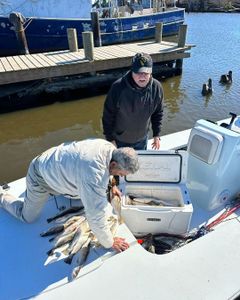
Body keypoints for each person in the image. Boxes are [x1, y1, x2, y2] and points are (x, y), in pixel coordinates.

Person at [0, 139, 139, 252]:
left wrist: (112, 184)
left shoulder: (109, 147)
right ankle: (2, 196)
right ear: (114, 163)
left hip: (58, 166)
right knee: (28, 217)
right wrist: (109, 242)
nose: (117, 176)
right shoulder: (94, 176)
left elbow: (103, 171)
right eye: (119, 174)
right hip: (40, 177)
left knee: (89, 194)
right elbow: (95, 216)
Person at [102, 52, 164, 150]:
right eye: (138, 72)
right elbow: (108, 116)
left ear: (151, 71)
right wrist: (110, 139)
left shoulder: (157, 88)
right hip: (120, 141)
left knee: (138, 164)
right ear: (132, 71)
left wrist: (157, 134)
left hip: (142, 140)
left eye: (146, 72)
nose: (142, 76)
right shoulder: (117, 88)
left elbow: (158, 113)